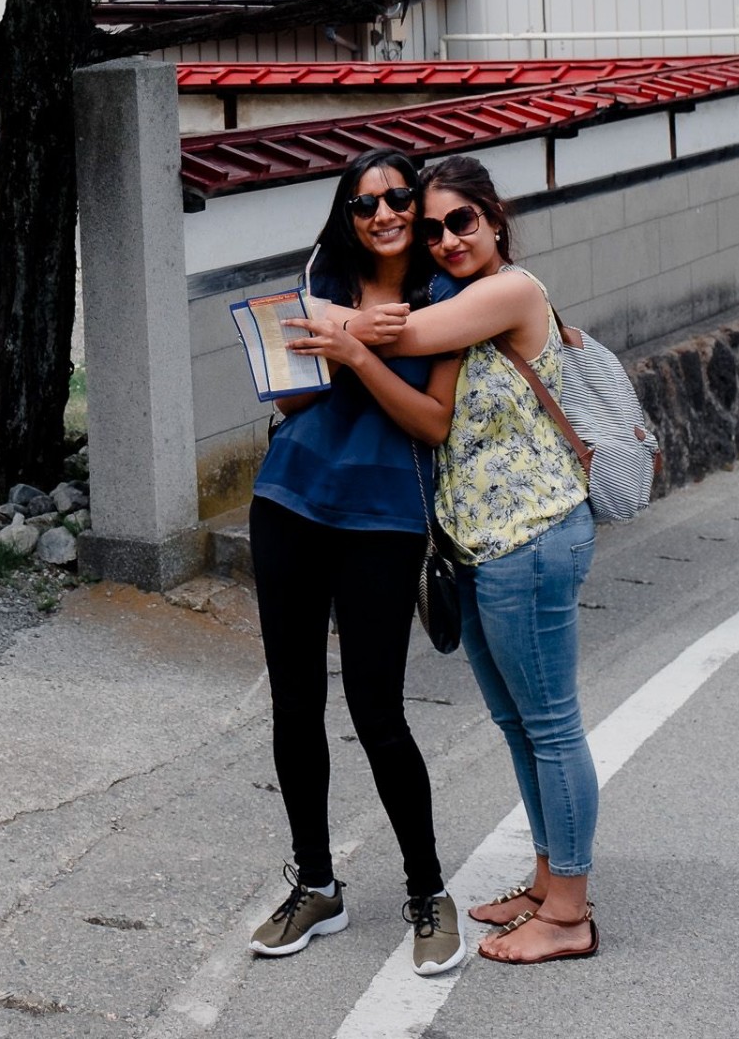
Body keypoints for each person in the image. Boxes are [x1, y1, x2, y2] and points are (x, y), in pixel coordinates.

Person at [359, 153, 601, 965]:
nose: (445, 238)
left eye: (460, 221)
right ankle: (547, 880)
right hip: (488, 547)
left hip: (530, 539)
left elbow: (409, 333)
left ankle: (568, 914)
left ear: (494, 218)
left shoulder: (511, 292)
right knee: (518, 724)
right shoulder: (464, 299)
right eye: (430, 230)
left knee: (552, 726)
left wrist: (322, 324)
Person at [245, 148, 467, 975]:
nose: (383, 214)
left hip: (384, 518)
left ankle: (426, 889)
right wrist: (333, 336)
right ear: (347, 215)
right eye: (365, 203)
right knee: (295, 703)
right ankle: (316, 883)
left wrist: (362, 350)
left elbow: (433, 423)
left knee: (378, 710)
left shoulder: (445, 296)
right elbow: (295, 395)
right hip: (290, 503)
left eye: (397, 197)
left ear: (417, 201)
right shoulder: (325, 275)